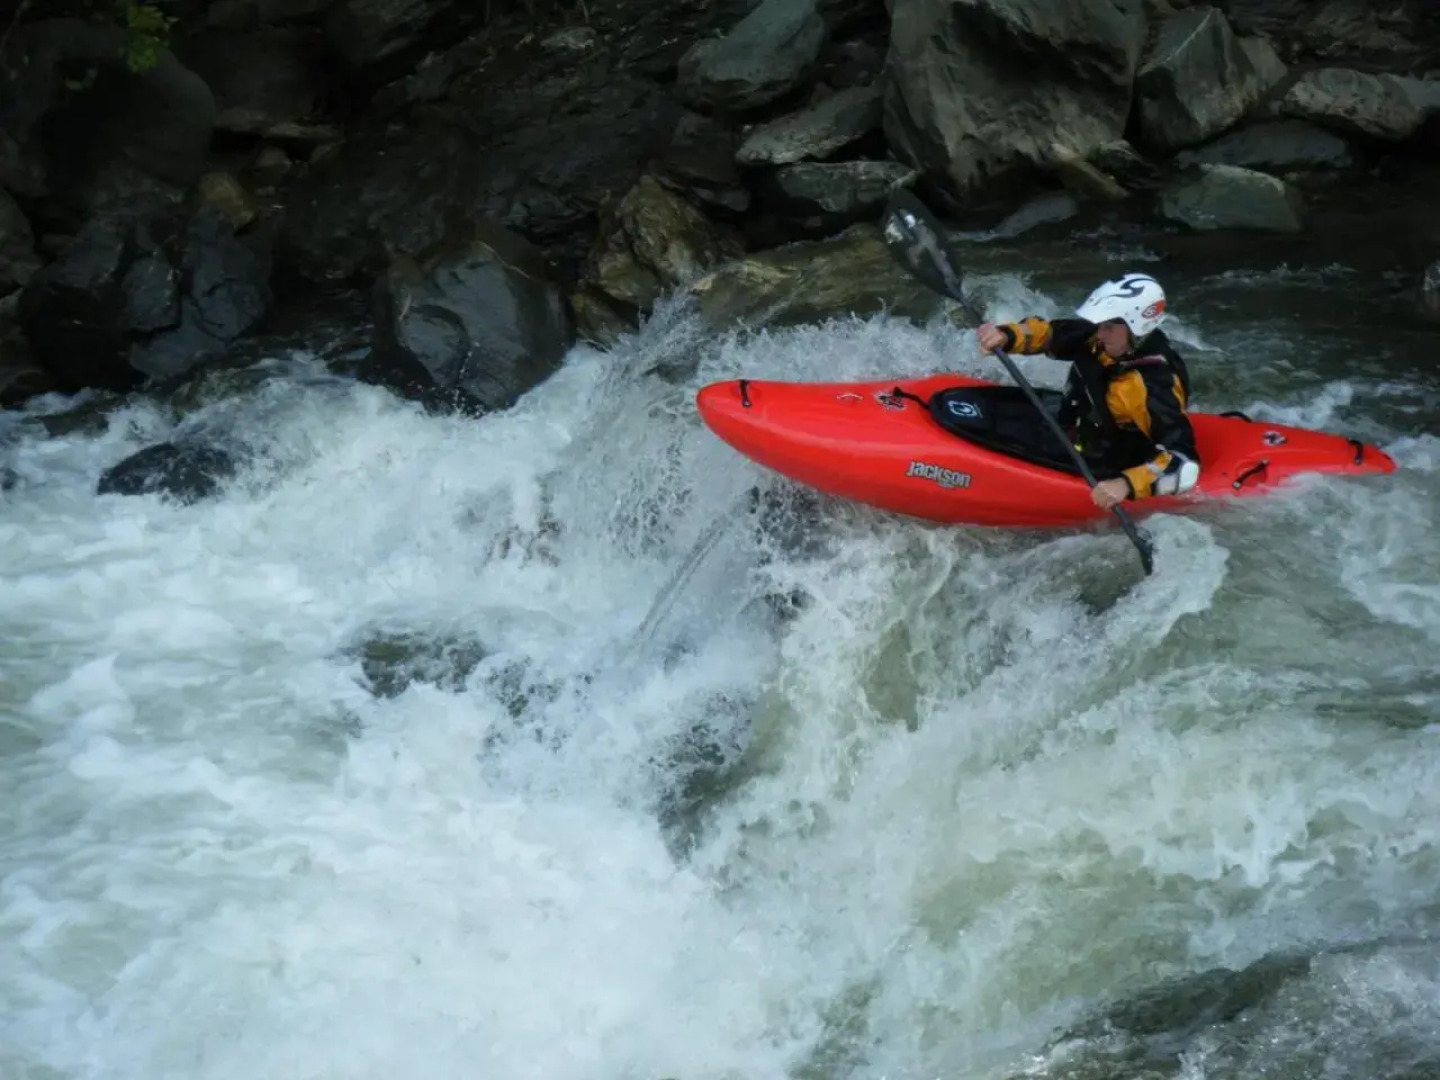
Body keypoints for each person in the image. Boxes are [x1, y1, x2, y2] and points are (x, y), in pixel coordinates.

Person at [975, 273, 1200, 510]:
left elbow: (1183, 462)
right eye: (1101, 325)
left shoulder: (1152, 386)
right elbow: (1051, 334)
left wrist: (1125, 485)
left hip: (1103, 460)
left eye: (1109, 327)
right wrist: (1007, 336)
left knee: (991, 435)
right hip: (1072, 424)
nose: (1100, 333)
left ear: (1137, 328)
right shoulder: (1106, 340)